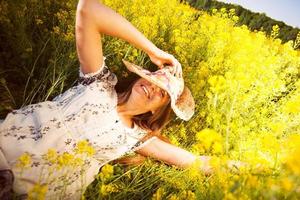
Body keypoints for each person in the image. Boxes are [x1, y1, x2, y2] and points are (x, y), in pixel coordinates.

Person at [0, 0, 239, 199]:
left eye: (163, 94)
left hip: (37, 189)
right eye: (153, 79)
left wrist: (255, 168)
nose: (153, 89)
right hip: (9, 144)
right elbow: (88, 9)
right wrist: (154, 52)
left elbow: (194, 161)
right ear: (139, 78)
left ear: (158, 110)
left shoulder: (137, 137)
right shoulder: (99, 82)